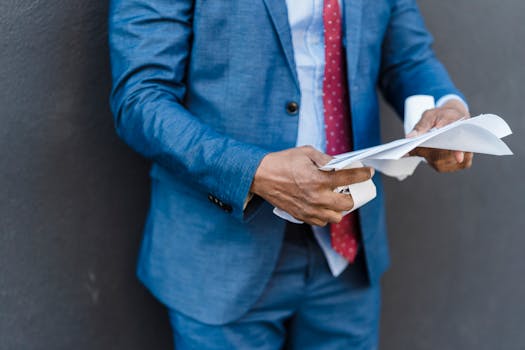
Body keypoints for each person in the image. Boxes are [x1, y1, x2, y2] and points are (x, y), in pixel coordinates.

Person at [109, 0, 472, 348]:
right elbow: (141, 99)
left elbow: (409, 58)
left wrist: (446, 110)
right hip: (220, 254)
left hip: (346, 251)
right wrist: (254, 171)